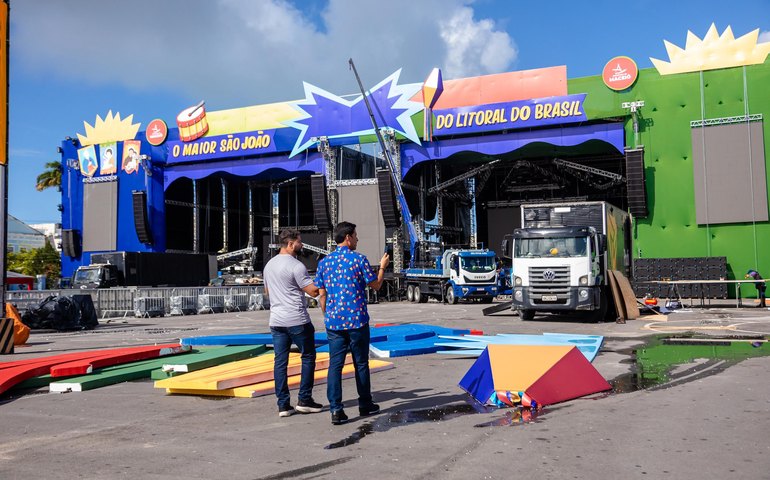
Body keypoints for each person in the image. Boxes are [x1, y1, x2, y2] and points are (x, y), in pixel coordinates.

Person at [315, 221, 389, 425]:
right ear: (348, 238)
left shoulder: (324, 263)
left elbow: (322, 295)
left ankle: (336, 410)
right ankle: (365, 403)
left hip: (334, 322)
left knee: (335, 366)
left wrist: (328, 314)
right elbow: (376, 285)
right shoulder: (359, 260)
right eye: (355, 236)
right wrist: (382, 267)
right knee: (361, 363)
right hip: (356, 320)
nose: (357, 239)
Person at [263, 229, 323, 417]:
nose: (302, 245)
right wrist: (324, 280)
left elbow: (267, 292)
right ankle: (304, 399)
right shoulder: (296, 266)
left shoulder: (269, 265)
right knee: (308, 356)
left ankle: (283, 405)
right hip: (296, 319)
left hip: (276, 320)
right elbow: (313, 292)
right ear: (290, 244)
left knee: (280, 362)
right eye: (299, 242)